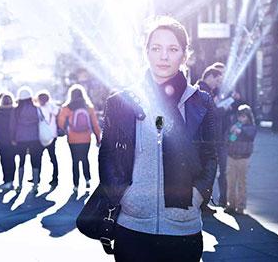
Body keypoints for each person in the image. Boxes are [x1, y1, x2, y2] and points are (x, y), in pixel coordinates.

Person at [97, 16, 216, 261]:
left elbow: (210, 156)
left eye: (173, 49)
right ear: (146, 52)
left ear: (184, 55)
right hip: (133, 227)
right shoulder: (121, 102)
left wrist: (197, 196)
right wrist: (124, 196)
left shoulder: (201, 102)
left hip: (184, 228)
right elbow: (107, 157)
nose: (164, 56)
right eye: (156, 48)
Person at [58, 84, 101, 192]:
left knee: (75, 160)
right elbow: (95, 124)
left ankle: (76, 185)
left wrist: (65, 130)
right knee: (85, 158)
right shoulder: (88, 107)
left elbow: (60, 123)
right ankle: (87, 180)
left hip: (73, 139)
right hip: (86, 138)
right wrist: (98, 137)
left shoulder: (67, 108)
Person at [196, 62, 227, 210]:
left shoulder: (207, 91)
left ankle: (204, 202)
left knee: (209, 171)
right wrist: (221, 109)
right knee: (208, 171)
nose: (217, 84)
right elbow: (211, 115)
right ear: (209, 76)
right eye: (217, 80)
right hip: (206, 140)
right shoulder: (203, 91)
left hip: (208, 138)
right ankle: (203, 203)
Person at [225, 104, 257, 215]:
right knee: (231, 182)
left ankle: (241, 206)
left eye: (243, 117)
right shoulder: (235, 125)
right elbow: (230, 140)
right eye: (240, 116)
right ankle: (231, 204)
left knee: (242, 183)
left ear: (248, 117)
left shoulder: (251, 127)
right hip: (231, 157)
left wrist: (241, 131)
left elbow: (250, 135)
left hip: (244, 158)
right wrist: (231, 133)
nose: (241, 119)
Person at [12, 86, 43, 193]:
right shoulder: (37, 109)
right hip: (35, 138)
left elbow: (13, 125)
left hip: (21, 138)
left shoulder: (16, 110)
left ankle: (20, 185)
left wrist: (13, 137)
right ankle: (35, 186)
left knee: (21, 162)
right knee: (35, 161)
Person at [37, 90, 60, 186]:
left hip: (40, 135)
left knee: (38, 157)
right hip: (52, 135)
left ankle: (36, 177)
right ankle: (55, 178)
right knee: (53, 157)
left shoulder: (37, 109)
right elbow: (58, 112)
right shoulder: (53, 107)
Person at [0, 93, 17, 189]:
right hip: (13, 140)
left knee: (4, 160)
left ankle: (6, 180)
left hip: (1, 140)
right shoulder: (15, 111)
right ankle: (11, 180)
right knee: (12, 160)